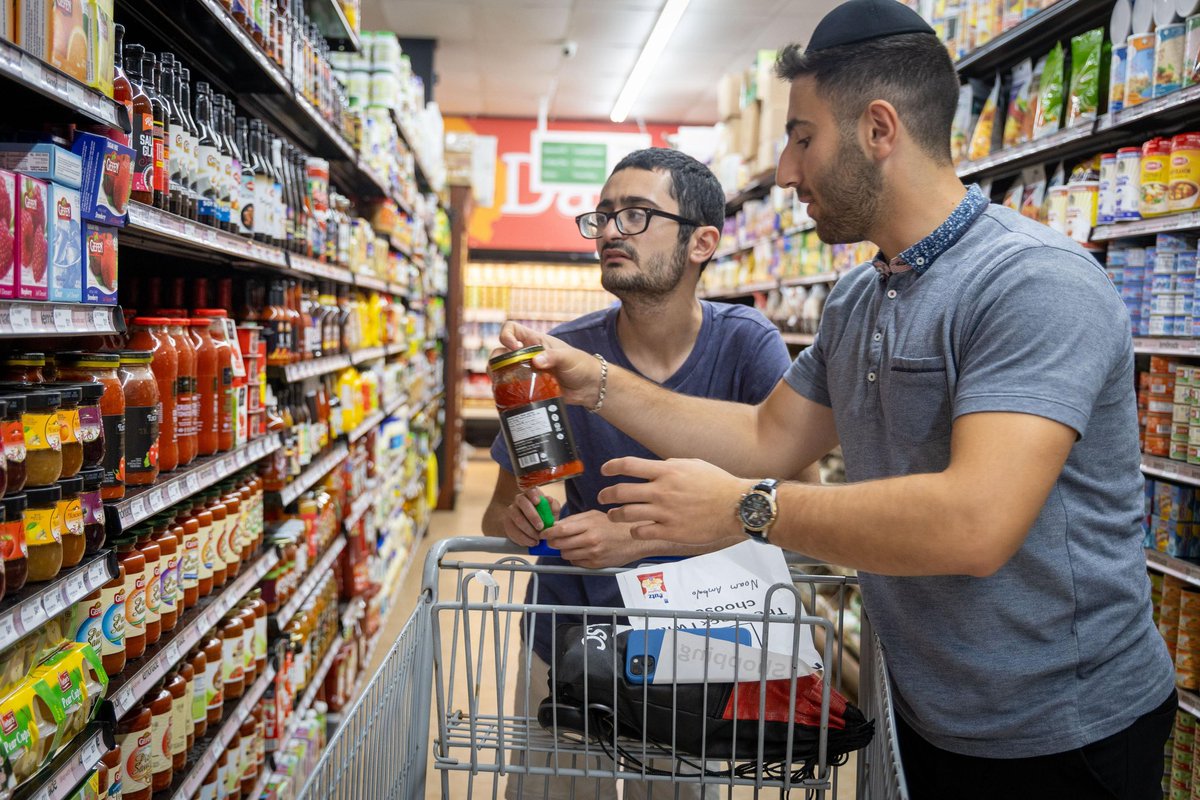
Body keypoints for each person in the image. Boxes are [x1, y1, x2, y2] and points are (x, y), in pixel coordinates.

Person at [494, 1, 1178, 798]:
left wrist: (745, 511)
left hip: (1064, 731)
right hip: (919, 712)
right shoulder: (862, 299)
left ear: (878, 130)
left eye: (802, 137)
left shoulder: (1033, 284)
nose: (785, 170)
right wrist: (595, 380)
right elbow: (763, 434)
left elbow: (975, 523)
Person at [481, 147, 795, 799]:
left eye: (637, 214)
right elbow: (498, 516)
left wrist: (641, 541)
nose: (610, 231)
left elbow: (795, 510)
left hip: (696, 645)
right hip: (567, 639)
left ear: (703, 241)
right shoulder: (563, 352)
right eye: (602, 216)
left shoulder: (747, 347)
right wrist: (520, 519)